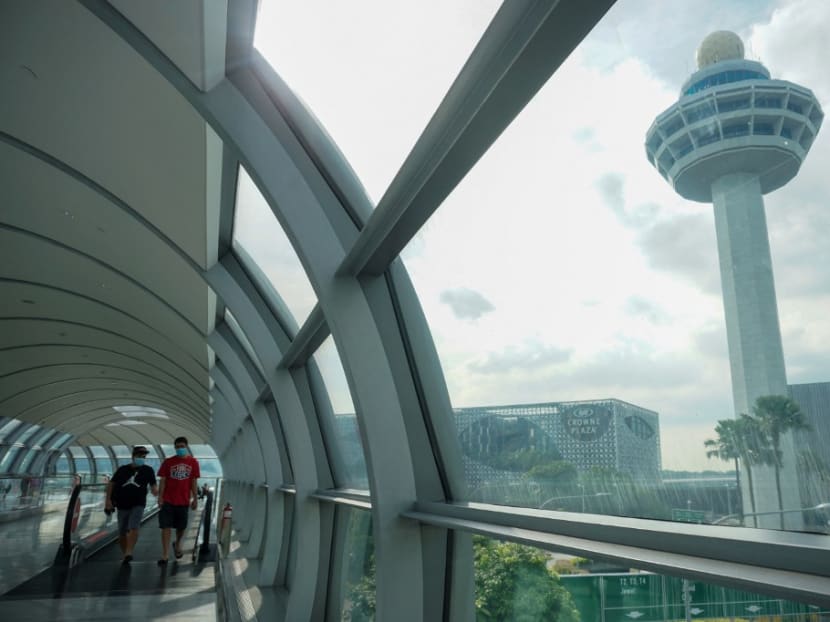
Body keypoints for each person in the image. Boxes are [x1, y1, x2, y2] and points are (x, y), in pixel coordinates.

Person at [106, 446, 158, 563]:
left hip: (138, 503)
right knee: (122, 531)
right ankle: (125, 554)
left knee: (134, 526)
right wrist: (108, 501)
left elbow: (153, 485)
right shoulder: (122, 470)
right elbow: (111, 484)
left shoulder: (148, 470)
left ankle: (129, 552)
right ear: (133, 456)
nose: (142, 458)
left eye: (144, 456)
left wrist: (157, 492)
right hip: (122, 504)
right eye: (139, 456)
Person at [156, 436, 200, 565]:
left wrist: (195, 498)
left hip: (183, 500)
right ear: (175, 448)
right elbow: (163, 480)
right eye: (178, 447)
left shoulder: (193, 462)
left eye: (182, 446)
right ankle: (164, 555)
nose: (180, 449)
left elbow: (193, 481)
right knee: (166, 526)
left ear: (186, 447)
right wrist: (160, 497)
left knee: (181, 527)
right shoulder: (168, 462)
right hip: (168, 499)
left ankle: (177, 543)